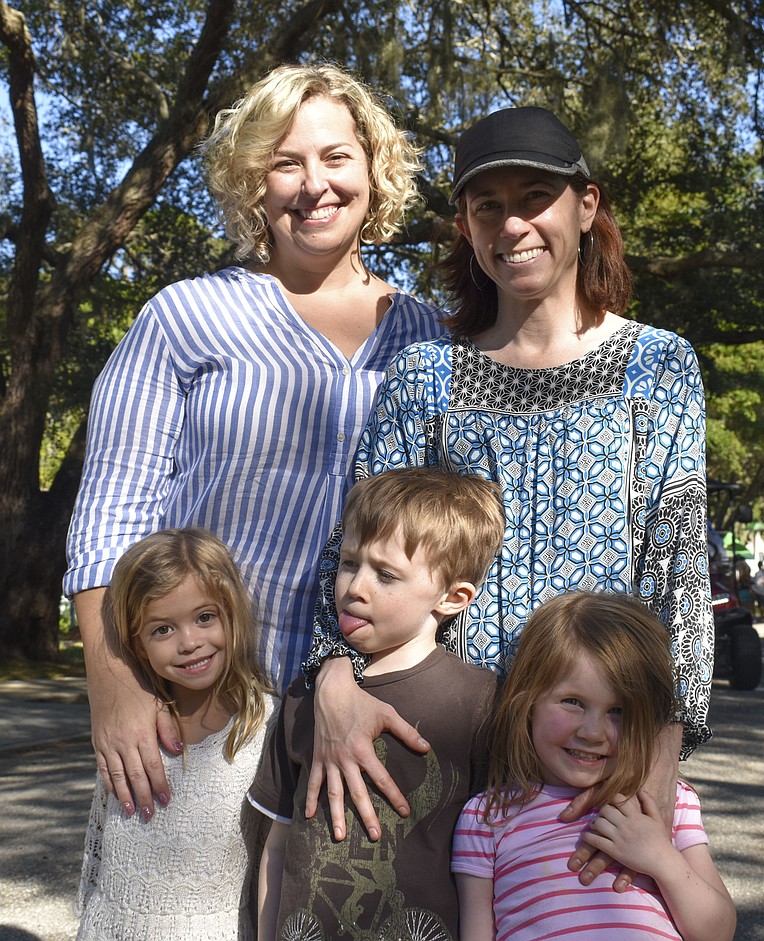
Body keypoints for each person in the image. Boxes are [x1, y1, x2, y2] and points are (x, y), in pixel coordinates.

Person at [304, 107, 713, 876]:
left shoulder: (658, 365)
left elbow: (678, 574)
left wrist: (660, 762)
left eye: (534, 198)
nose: (513, 224)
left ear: (585, 206)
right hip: (441, 748)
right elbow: (357, 546)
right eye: (488, 206)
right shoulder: (425, 375)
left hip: (596, 760)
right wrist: (332, 677)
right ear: (465, 225)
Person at [63, 63, 445, 820]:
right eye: (285, 162)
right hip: (197, 714)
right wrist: (115, 688)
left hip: (365, 721)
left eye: (336, 156)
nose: (314, 183)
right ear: (252, 182)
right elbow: (111, 515)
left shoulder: (432, 339)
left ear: (373, 169)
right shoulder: (185, 317)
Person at [249, 468, 505, 940]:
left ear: (453, 597)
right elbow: (278, 845)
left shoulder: (483, 704)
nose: (355, 587)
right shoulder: (305, 698)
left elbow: (490, 863)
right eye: (349, 563)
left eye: (386, 575)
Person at [451, 591, 736, 941]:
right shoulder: (486, 817)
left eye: (618, 711)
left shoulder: (668, 803)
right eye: (572, 702)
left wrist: (662, 858)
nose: (592, 733)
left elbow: (718, 932)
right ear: (527, 702)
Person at [75, 529, 276, 940]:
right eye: (163, 629)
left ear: (232, 613)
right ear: (137, 644)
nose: (189, 643)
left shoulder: (266, 726)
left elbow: (273, 860)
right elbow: (103, 852)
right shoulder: (130, 727)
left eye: (205, 618)